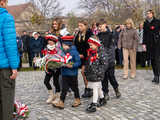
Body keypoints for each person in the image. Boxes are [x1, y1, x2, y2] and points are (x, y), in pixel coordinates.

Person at [0, 0, 20, 119]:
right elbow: (10, 44)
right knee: (6, 99)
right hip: (4, 67)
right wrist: (14, 66)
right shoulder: (6, 18)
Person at [53, 36, 81, 109]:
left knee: (74, 87)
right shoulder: (62, 52)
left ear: (69, 45)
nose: (63, 47)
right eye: (62, 45)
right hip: (64, 73)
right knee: (64, 88)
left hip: (72, 74)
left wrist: (72, 65)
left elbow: (78, 62)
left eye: (64, 45)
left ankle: (77, 99)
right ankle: (61, 102)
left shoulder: (74, 52)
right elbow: (60, 60)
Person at [98, 20, 121, 100]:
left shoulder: (111, 34)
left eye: (101, 25)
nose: (99, 27)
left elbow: (111, 49)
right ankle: (106, 92)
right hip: (102, 60)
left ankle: (116, 89)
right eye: (98, 26)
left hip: (110, 59)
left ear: (105, 25)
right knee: (103, 78)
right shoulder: (98, 35)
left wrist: (108, 59)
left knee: (111, 76)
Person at [85, 36, 108, 113]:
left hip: (98, 74)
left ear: (96, 44)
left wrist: (99, 72)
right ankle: (102, 99)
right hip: (91, 73)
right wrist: (86, 71)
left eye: (91, 45)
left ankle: (94, 103)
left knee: (95, 88)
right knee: (98, 88)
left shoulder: (101, 53)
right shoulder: (91, 52)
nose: (90, 46)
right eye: (89, 45)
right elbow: (88, 63)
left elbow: (104, 64)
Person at [74, 20, 93, 98]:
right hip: (80, 57)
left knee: (84, 72)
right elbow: (75, 44)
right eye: (78, 26)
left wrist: (84, 55)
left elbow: (90, 47)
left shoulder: (89, 34)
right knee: (83, 73)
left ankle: (89, 89)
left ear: (85, 26)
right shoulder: (78, 34)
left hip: (87, 56)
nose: (79, 27)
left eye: (81, 26)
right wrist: (77, 54)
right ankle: (88, 88)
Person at [41, 35, 61, 104]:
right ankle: (51, 95)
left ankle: (58, 96)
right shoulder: (46, 48)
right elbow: (45, 56)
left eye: (51, 40)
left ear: (54, 41)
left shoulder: (58, 48)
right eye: (49, 40)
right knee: (46, 81)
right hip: (48, 67)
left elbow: (60, 57)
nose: (50, 42)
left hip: (56, 68)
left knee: (56, 82)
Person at [143, 10, 160, 84]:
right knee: (152, 60)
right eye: (147, 14)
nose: (148, 15)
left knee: (156, 60)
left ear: (152, 14)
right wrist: (144, 44)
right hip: (149, 44)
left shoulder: (157, 21)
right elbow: (144, 33)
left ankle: (157, 76)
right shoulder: (145, 22)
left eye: (149, 13)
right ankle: (155, 75)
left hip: (156, 43)